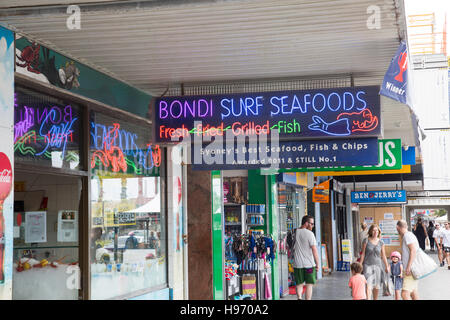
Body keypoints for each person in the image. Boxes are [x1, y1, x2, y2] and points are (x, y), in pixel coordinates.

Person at [292, 215, 320, 300]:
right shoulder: (310, 234)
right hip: (309, 265)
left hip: (297, 264)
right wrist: (317, 263)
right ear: (306, 223)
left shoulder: (294, 232)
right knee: (309, 285)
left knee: (299, 284)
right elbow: (314, 250)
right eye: (311, 224)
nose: (312, 226)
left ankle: (299, 297)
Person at [360, 224, 390, 300]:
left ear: (378, 231)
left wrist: (387, 266)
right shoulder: (366, 240)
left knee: (376, 286)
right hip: (367, 265)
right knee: (368, 284)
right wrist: (360, 265)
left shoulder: (381, 242)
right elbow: (363, 253)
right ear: (370, 231)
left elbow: (383, 255)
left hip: (378, 265)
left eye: (376, 230)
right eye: (373, 230)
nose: (375, 232)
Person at [396, 220, 420, 300]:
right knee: (413, 292)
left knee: (404, 293)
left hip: (410, 269)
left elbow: (413, 250)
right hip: (413, 268)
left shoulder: (407, 236)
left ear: (398, 227)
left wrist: (408, 267)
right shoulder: (410, 235)